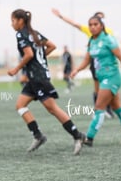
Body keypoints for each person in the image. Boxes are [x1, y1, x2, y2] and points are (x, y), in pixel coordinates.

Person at [8, 9, 86, 155]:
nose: (11, 24)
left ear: (20, 21)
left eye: (12, 20)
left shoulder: (20, 34)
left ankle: (78, 136)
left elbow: (29, 54)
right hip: (36, 77)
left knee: (53, 109)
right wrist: (40, 60)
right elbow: (52, 46)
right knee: (20, 105)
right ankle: (38, 136)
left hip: (38, 78)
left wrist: (17, 69)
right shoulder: (34, 33)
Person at [70, 15, 121, 147]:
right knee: (117, 107)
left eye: (95, 24)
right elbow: (86, 60)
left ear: (102, 26)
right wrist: (76, 70)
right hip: (102, 78)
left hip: (111, 77)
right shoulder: (92, 41)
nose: (92, 27)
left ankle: (89, 138)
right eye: (90, 25)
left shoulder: (108, 40)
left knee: (99, 107)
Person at [52, 8, 115, 118]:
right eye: (97, 18)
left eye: (101, 19)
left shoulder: (109, 32)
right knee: (97, 88)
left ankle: (109, 109)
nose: (96, 24)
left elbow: (114, 49)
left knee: (109, 88)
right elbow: (74, 24)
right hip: (95, 63)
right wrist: (60, 16)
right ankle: (99, 110)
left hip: (107, 65)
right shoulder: (89, 30)